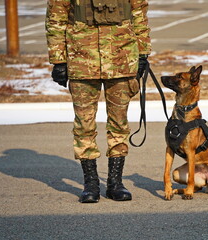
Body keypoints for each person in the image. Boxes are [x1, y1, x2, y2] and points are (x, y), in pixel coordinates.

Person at [45, 0, 151, 203]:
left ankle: (115, 183)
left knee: (119, 124)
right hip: (82, 57)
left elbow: (139, 13)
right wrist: (58, 60)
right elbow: (56, 18)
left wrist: (143, 52)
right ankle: (91, 184)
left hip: (121, 56)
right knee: (84, 124)